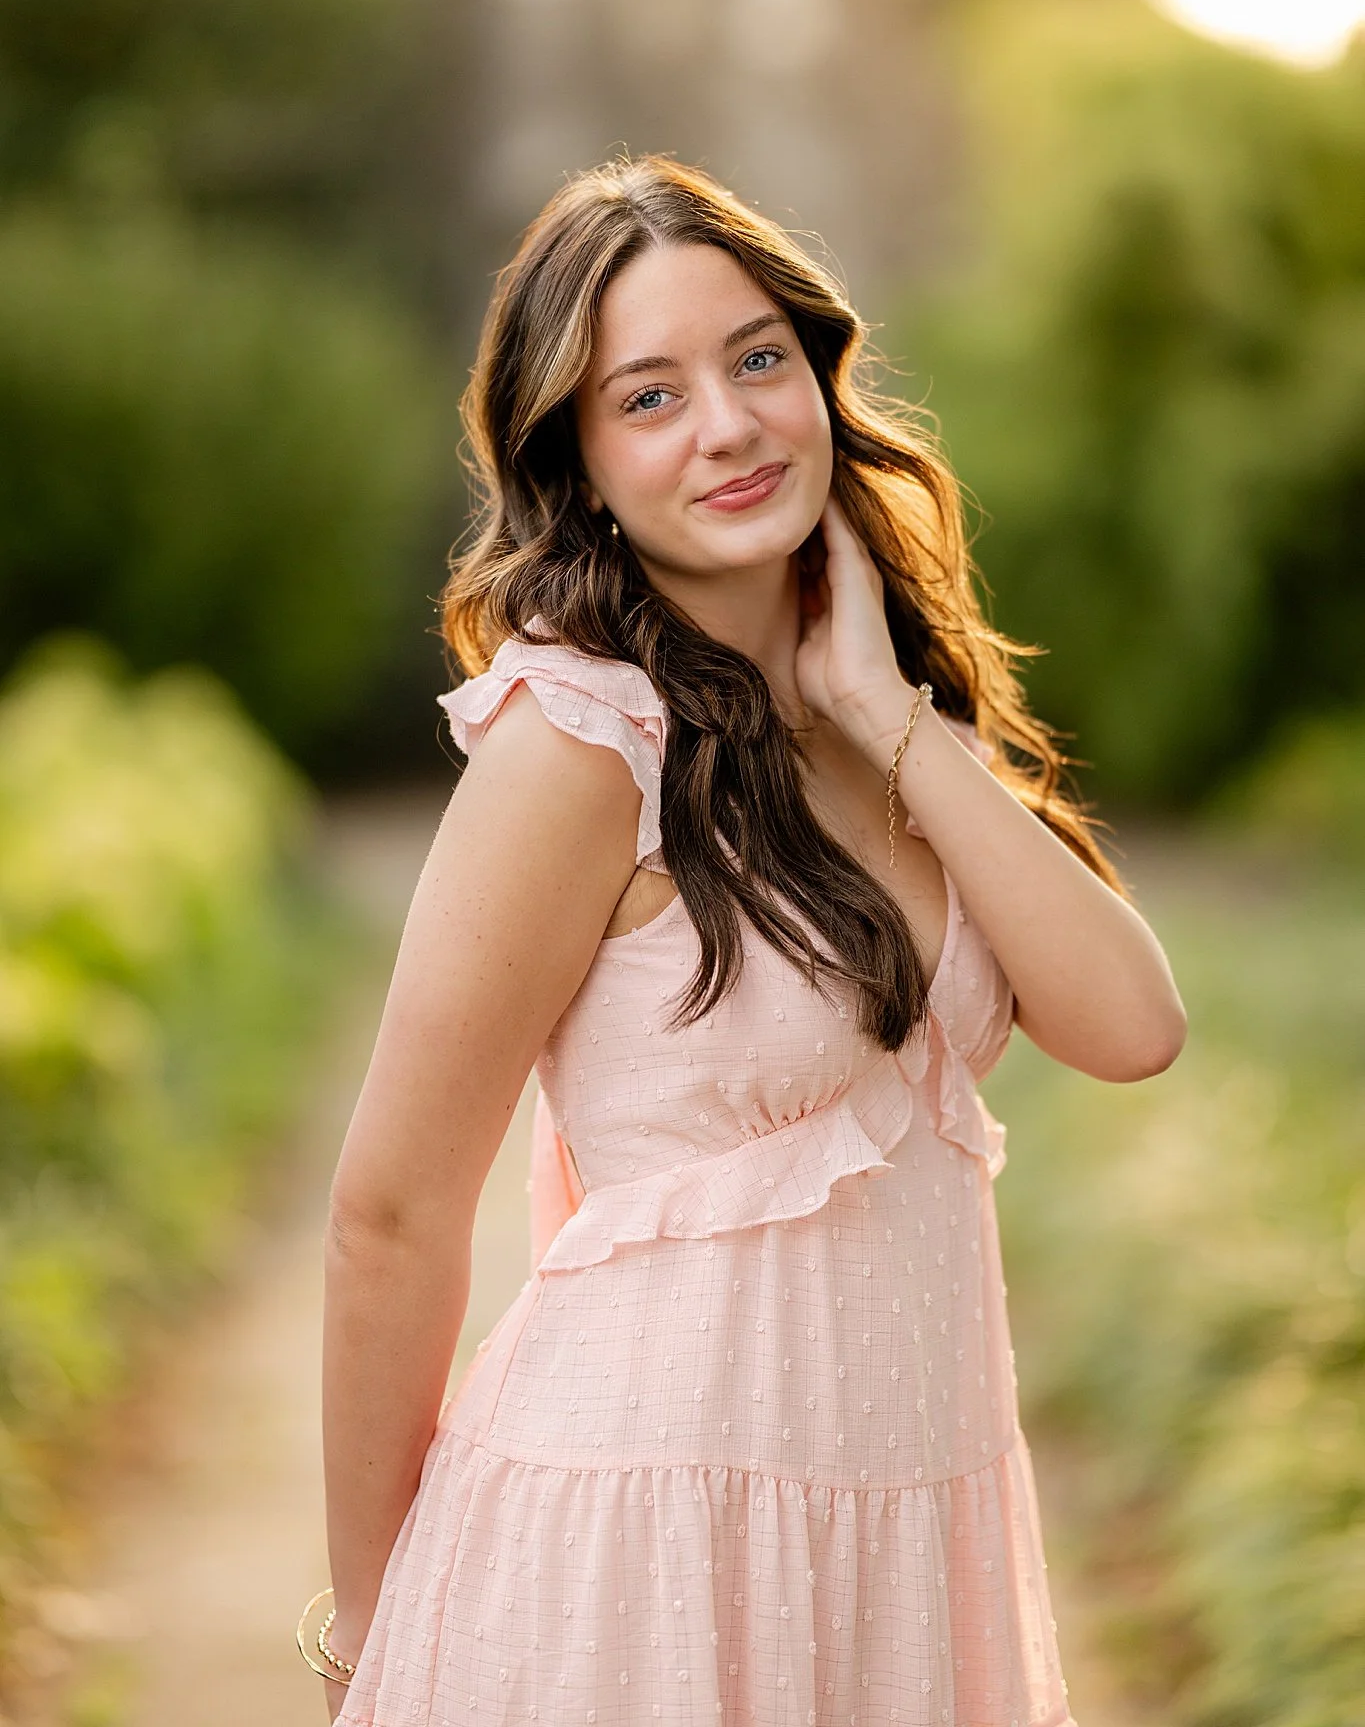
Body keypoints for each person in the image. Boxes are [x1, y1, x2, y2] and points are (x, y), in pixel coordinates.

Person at [307, 154, 1186, 1726]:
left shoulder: (888, 710)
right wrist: (371, 1626)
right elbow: (389, 1215)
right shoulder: (578, 743)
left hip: (907, 1544)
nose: (725, 426)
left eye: (756, 359)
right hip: (638, 1546)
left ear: (820, 377)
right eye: (647, 397)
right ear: (576, 462)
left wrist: (884, 714)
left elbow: (1132, 1026)